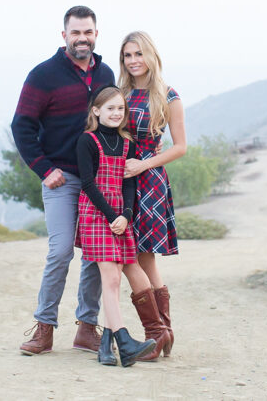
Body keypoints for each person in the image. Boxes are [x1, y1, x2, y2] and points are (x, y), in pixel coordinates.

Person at [12, 6, 114, 355]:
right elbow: (21, 126)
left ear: (96, 34)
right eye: (75, 33)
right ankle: (44, 328)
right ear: (64, 35)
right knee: (60, 251)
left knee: (95, 254)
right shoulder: (43, 75)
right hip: (62, 178)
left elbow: (114, 120)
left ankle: (87, 328)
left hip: (98, 180)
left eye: (88, 32)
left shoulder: (106, 73)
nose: (82, 39)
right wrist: (44, 168)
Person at [75, 86, 158, 367]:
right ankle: (124, 341)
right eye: (110, 108)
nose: (116, 113)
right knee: (110, 279)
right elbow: (87, 184)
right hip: (96, 215)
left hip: (121, 217)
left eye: (120, 109)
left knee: (124, 273)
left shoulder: (127, 143)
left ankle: (107, 347)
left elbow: (129, 183)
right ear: (96, 111)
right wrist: (112, 217)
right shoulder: (87, 141)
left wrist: (125, 214)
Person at [119, 31, 187, 360]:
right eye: (128, 55)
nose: (133, 61)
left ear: (150, 56)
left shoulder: (168, 95)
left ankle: (158, 332)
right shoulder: (119, 94)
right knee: (142, 257)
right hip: (122, 180)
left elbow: (180, 147)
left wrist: (143, 164)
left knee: (140, 255)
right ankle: (164, 331)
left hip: (150, 179)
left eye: (138, 54)